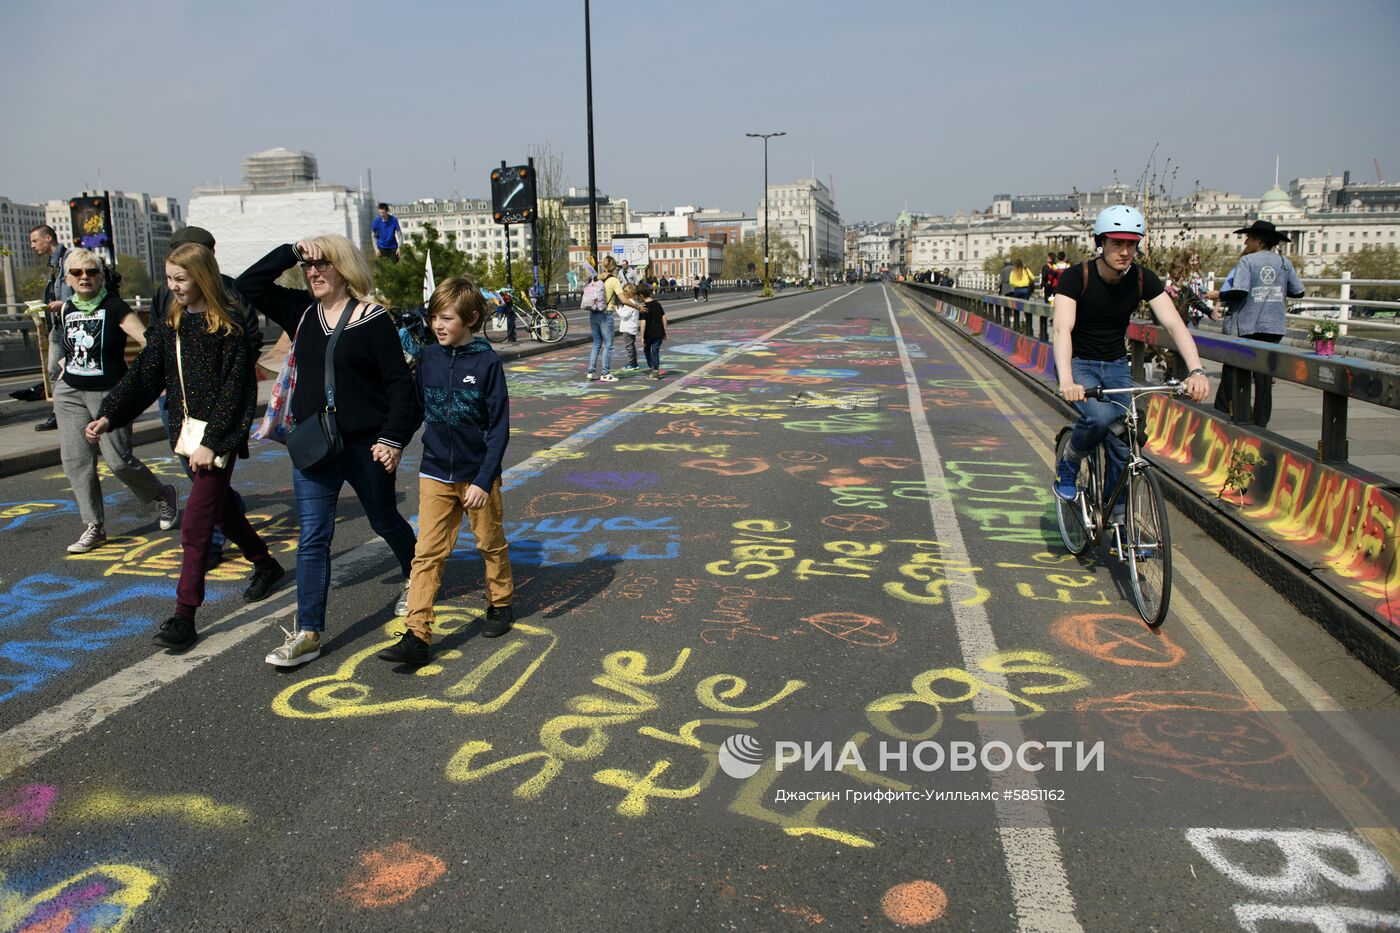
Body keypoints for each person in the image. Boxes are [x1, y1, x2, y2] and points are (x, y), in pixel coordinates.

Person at [87, 243, 285, 650]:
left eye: (181, 278)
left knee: (195, 526)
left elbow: (237, 391)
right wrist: (109, 414)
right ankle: (266, 564)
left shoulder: (227, 328)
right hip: (186, 438)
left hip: (216, 442)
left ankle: (184, 616)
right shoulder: (171, 326)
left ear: (203, 277)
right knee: (224, 512)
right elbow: (144, 376)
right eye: (169, 278)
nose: (173, 287)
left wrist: (213, 444)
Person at [236, 235, 420, 668]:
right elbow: (247, 286)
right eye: (309, 267)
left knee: (383, 518)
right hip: (315, 444)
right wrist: (290, 251)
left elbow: (399, 387)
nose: (314, 273)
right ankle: (308, 632)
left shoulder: (373, 319)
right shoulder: (301, 311)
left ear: (345, 269)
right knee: (314, 538)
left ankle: (416, 575)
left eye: (324, 265)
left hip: (365, 444)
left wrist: (392, 439)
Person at [379, 276, 514, 665]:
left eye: (447, 318)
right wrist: (394, 442)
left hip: (477, 475)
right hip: (435, 471)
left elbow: (499, 427)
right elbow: (417, 410)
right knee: (427, 553)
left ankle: (501, 603)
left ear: (471, 318)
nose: (438, 325)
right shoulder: (428, 358)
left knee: (489, 541)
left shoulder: (487, 362)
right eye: (434, 316)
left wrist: (485, 479)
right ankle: (417, 634)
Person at [1051, 206, 1211, 515]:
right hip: (1080, 363)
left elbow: (1175, 325)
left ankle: (1118, 518)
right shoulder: (1076, 277)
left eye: (1131, 244)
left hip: (1116, 366)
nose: (1125, 252)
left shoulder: (1142, 279)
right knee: (1097, 418)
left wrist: (1197, 370)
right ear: (1101, 243)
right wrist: (1067, 380)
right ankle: (1070, 460)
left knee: (1124, 442)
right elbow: (1061, 329)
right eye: (1117, 243)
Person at [52, 249, 180, 553]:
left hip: (110, 393)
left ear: (101, 276)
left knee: (119, 461)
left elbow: (149, 343)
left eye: (92, 272)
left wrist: (156, 381)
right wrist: (62, 371)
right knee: (76, 461)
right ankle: (94, 526)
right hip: (69, 393)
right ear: (68, 278)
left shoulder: (115, 306)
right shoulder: (66, 308)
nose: (85, 277)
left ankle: (162, 495)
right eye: (78, 273)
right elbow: (69, 348)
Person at [150, 226, 262, 569]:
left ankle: (207, 548)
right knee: (199, 478)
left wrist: (229, 373)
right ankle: (261, 560)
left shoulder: (230, 292)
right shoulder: (165, 294)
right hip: (179, 404)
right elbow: (159, 341)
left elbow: (248, 341)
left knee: (203, 496)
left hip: (219, 410)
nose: (175, 285)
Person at [1206, 220, 1304, 428]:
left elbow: (1240, 291)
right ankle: (1261, 420)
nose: (1246, 242)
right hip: (1274, 326)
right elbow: (1298, 291)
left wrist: (1218, 294)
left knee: (1238, 371)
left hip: (1248, 325)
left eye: (1248, 238)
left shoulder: (1248, 261)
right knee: (1264, 377)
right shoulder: (1284, 263)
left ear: (1259, 240)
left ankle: (1237, 412)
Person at [20, 225, 73, 431]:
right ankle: (59, 414)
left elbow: (79, 292)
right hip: (58, 327)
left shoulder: (68, 260)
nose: (32, 246)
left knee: (68, 372)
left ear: (48, 238)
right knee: (53, 371)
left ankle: (68, 414)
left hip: (70, 327)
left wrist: (64, 304)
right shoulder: (54, 264)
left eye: (35, 241)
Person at [638, 281, 667, 380]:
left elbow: (643, 323)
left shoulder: (644, 308)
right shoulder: (658, 304)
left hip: (648, 334)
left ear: (641, 295)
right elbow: (664, 318)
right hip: (659, 333)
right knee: (655, 351)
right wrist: (665, 332)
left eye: (639, 296)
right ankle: (655, 370)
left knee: (647, 350)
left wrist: (641, 336)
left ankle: (652, 368)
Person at [616, 282, 641, 371]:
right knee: (632, 346)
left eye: (624, 293)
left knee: (629, 347)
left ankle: (631, 364)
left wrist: (617, 309)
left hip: (628, 328)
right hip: (631, 327)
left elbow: (624, 315)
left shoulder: (630, 303)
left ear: (627, 293)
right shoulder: (634, 302)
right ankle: (634, 363)